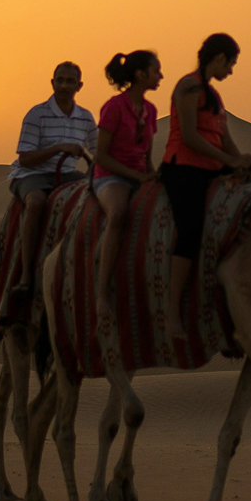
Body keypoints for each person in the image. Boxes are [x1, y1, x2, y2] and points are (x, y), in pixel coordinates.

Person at [161, 33, 251, 340]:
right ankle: (172, 312)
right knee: (190, 232)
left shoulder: (213, 96)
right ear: (218, 59)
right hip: (183, 169)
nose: (230, 70)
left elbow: (225, 139)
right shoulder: (188, 87)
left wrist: (242, 160)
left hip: (211, 170)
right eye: (231, 63)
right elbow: (189, 136)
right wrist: (227, 161)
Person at [8, 61, 97, 301]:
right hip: (31, 174)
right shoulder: (37, 114)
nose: (65, 85)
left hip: (68, 176)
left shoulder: (86, 118)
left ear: (79, 86)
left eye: (70, 81)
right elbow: (25, 159)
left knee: (96, 196)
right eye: (61, 80)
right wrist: (59, 148)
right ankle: (27, 275)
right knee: (36, 202)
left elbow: (98, 153)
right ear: (53, 83)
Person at [92, 49, 163, 329]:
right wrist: (135, 175)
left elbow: (146, 155)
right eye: (156, 70)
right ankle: (101, 294)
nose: (160, 75)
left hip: (139, 176)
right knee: (119, 214)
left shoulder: (151, 110)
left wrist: (153, 176)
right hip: (110, 177)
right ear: (140, 74)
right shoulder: (114, 107)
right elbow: (102, 155)